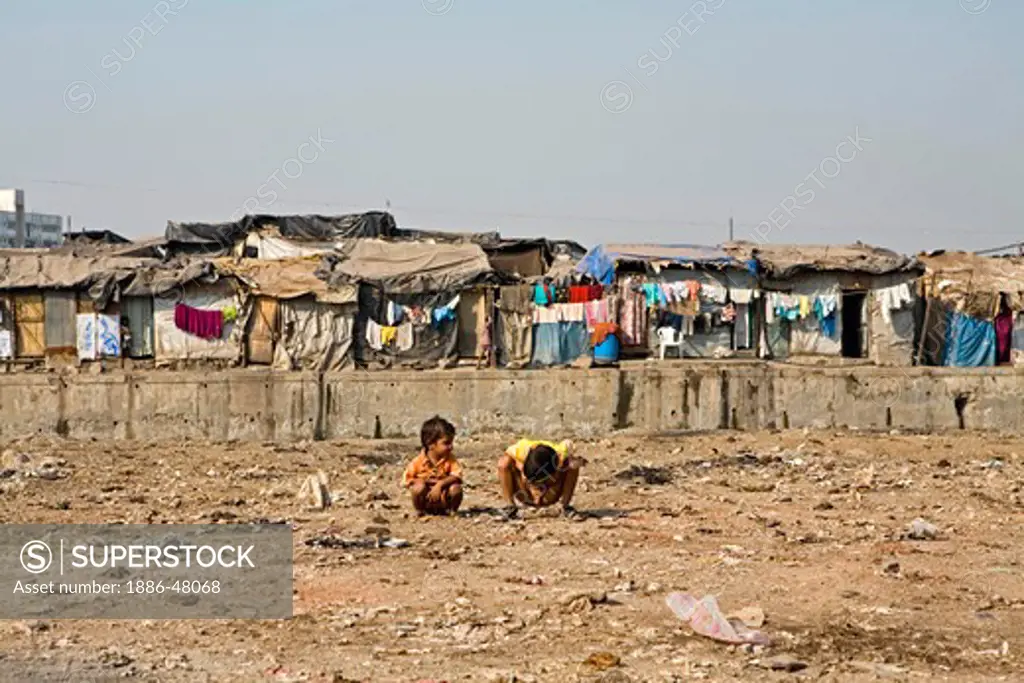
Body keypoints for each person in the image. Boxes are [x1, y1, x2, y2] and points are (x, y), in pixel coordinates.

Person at [497, 438, 583, 519]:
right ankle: (510, 507)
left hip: (550, 493)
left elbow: (576, 459)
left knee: (573, 465)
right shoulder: (521, 449)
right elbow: (506, 459)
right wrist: (520, 467)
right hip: (525, 493)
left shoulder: (561, 454)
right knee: (503, 463)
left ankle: (565, 507)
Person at [403, 416, 463, 516]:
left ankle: (451, 511)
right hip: (427, 498)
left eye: (451, 442)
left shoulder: (449, 459)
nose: (451, 447)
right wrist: (424, 482)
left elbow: (457, 475)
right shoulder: (418, 462)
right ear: (430, 444)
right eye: (446, 443)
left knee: (456, 488)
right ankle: (420, 511)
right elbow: (407, 480)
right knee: (418, 488)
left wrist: (440, 485)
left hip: (443, 497)